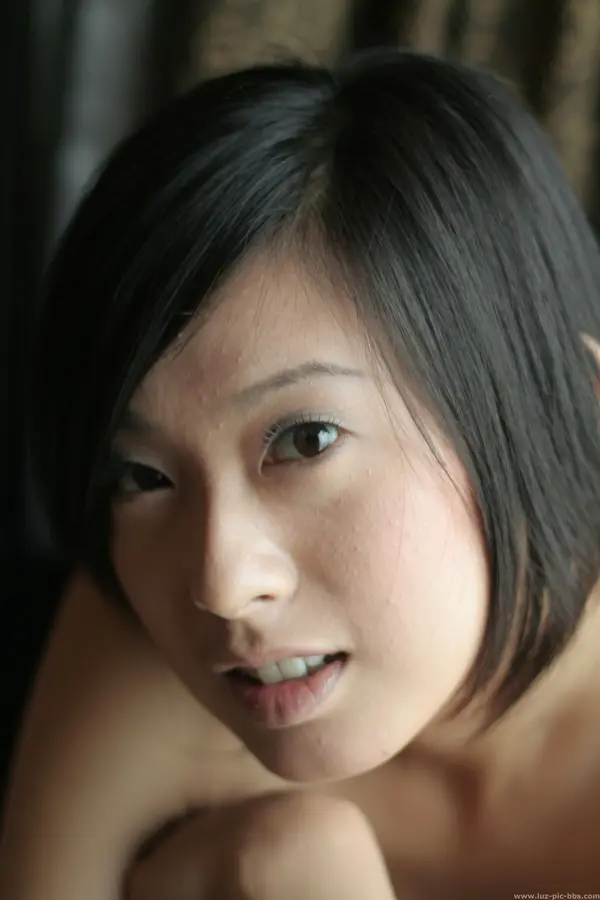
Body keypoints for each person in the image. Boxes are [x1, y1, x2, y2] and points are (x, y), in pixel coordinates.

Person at [2, 47, 600, 900]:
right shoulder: (152, 637)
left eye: (308, 440)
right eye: (141, 475)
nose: (221, 584)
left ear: (570, 407)